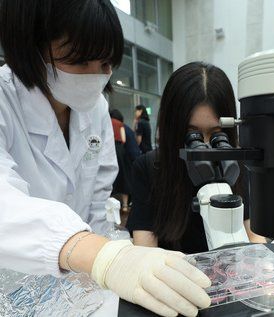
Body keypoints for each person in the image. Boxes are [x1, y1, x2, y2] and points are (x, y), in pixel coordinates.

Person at [0, 1, 211, 316]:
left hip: (77, 280)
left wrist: (108, 260)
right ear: (31, 49)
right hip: (13, 282)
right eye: (81, 61)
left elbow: (97, 197)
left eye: (107, 64)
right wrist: (102, 257)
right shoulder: (5, 101)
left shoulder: (95, 107)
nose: (97, 76)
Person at [126, 62, 267, 253]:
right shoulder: (148, 168)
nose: (205, 147)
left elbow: (254, 237)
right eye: (192, 135)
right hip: (173, 277)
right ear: (172, 129)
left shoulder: (238, 166)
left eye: (217, 134)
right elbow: (145, 252)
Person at [109, 109, 130, 213]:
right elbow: (124, 139)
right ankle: (125, 206)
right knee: (123, 175)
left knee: (109, 176)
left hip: (109, 148)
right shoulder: (120, 124)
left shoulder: (107, 121)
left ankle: (110, 208)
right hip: (120, 149)